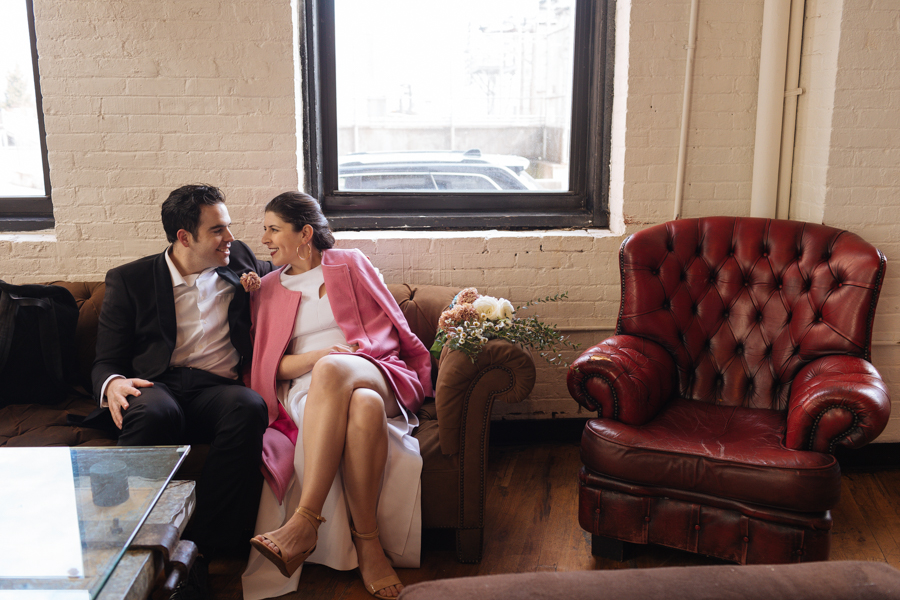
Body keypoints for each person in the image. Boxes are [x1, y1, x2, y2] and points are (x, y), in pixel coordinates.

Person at [241, 192, 431, 600]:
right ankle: (369, 545)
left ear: (304, 232)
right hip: (309, 390)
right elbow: (270, 367)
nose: (265, 239)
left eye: (273, 229)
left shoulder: (351, 262)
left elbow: (392, 330)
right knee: (363, 406)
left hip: (373, 367)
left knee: (339, 371)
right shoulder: (268, 288)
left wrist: (336, 360)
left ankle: (304, 521)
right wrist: (319, 355)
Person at [91, 184, 275, 598]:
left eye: (228, 228)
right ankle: (122, 540)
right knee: (153, 413)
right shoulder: (130, 279)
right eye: (218, 230)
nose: (230, 237)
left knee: (249, 407)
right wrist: (114, 383)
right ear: (184, 237)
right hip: (159, 384)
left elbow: (290, 271)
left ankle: (202, 544)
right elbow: (106, 360)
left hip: (217, 388)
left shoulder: (240, 260)